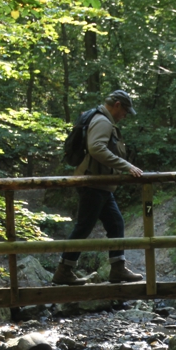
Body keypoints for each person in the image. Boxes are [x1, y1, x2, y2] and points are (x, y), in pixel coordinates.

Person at [52, 89, 145, 285]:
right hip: (92, 183)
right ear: (117, 105)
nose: (125, 116)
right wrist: (126, 165)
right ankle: (64, 271)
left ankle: (117, 268)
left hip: (100, 184)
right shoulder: (103, 121)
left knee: (116, 224)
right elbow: (96, 148)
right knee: (84, 227)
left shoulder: (101, 119)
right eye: (125, 111)